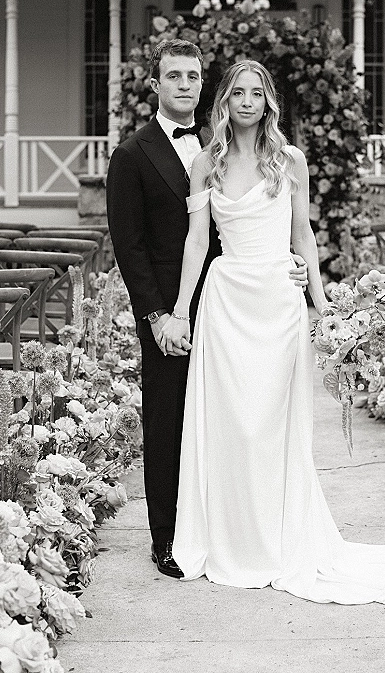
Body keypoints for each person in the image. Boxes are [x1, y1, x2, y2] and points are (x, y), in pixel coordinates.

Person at [160, 59, 385, 603]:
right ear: (223, 102)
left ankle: (278, 538)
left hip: (278, 300)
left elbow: (304, 234)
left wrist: (320, 302)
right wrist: (181, 308)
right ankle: (233, 539)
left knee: (272, 426)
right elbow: (196, 243)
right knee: (233, 427)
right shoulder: (206, 163)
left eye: (257, 93)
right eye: (237, 93)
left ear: (268, 102)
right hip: (226, 303)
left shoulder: (289, 160)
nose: (247, 102)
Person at [106, 40, 307, 580]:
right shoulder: (131, 155)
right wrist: (159, 317)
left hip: (237, 302)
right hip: (172, 314)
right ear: (155, 85)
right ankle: (168, 537)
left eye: (193, 76)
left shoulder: (221, 148)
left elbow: (262, 219)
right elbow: (130, 247)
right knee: (170, 421)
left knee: (234, 423)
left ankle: (234, 528)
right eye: (173, 76)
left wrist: (288, 265)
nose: (185, 85)